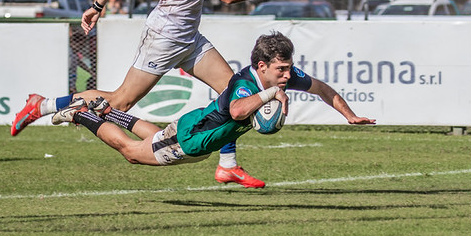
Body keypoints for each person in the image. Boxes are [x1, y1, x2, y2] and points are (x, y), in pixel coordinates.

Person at [10, 0, 278, 187]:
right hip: (165, 38)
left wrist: (97, 5)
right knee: (119, 102)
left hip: (188, 37)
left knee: (233, 91)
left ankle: (227, 165)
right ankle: (43, 105)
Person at [51, 32, 376, 169]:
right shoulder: (244, 84)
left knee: (154, 138)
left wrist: (349, 115)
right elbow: (237, 110)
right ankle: (81, 114)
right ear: (262, 66)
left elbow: (321, 88)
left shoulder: (280, 77)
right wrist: (271, 93)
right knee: (132, 153)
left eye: (289, 68)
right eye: (282, 69)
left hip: (200, 137)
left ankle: (107, 111)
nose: (288, 75)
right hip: (193, 138)